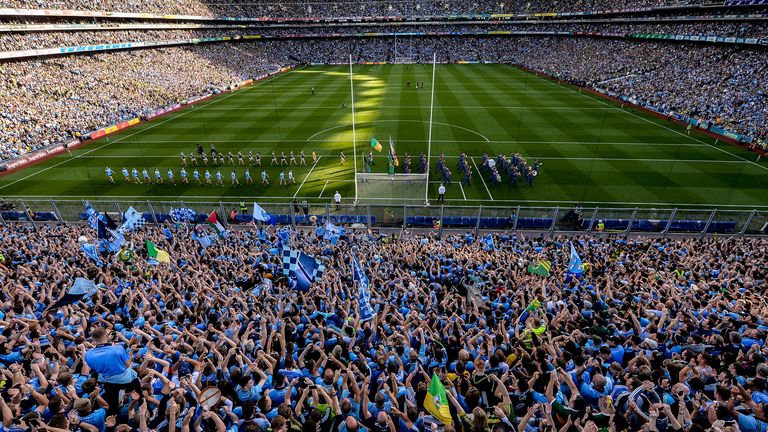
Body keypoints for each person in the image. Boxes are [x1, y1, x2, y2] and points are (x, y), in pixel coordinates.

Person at [84, 327, 142, 416]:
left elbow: (94, 368)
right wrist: (130, 352)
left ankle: (115, 421)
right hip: (126, 379)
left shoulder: (88, 354)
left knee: (113, 406)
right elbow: (127, 364)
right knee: (139, 395)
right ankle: (144, 410)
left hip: (109, 381)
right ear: (106, 336)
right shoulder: (118, 349)